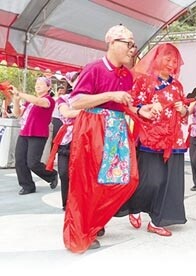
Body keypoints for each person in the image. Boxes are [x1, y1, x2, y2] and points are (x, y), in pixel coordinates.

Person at [63, 24, 141, 253]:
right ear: (112, 43)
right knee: (87, 183)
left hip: (116, 132)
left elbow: (126, 106)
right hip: (93, 131)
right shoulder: (94, 69)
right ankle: (80, 232)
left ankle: (94, 222)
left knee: (126, 179)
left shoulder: (127, 76)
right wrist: (109, 95)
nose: (132, 49)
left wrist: (142, 111)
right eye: (128, 44)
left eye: (133, 44)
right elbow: (75, 102)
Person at [126, 43, 188, 237]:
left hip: (173, 139)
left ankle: (157, 220)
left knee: (169, 182)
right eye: (168, 59)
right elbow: (131, 104)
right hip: (150, 137)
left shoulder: (177, 85)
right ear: (158, 58)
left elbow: (185, 113)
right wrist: (147, 107)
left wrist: (183, 109)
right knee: (151, 180)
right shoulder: (144, 81)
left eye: (175, 61)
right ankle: (134, 207)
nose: (171, 64)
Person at [10, 77, 58, 195]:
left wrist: (20, 93)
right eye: (36, 83)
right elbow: (17, 114)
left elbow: (38, 102)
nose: (37, 85)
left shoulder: (49, 100)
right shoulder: (29, 101)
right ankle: (27, 186)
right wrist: (16, 100)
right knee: (20, 161)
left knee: (33, 163)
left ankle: (51, 174)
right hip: (24, 133)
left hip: (38, 134)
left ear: (48, 87)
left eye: (41, 84)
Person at [46, 71, 81, 211]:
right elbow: (66, 113)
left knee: (81, 173)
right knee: (64, 172)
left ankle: (79, 202)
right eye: (76, 79)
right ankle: (66, 203)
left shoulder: (92, 97)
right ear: (70, 82)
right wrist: (88, 109)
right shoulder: (64, 98)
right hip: (67, 137)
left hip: (86, 136)